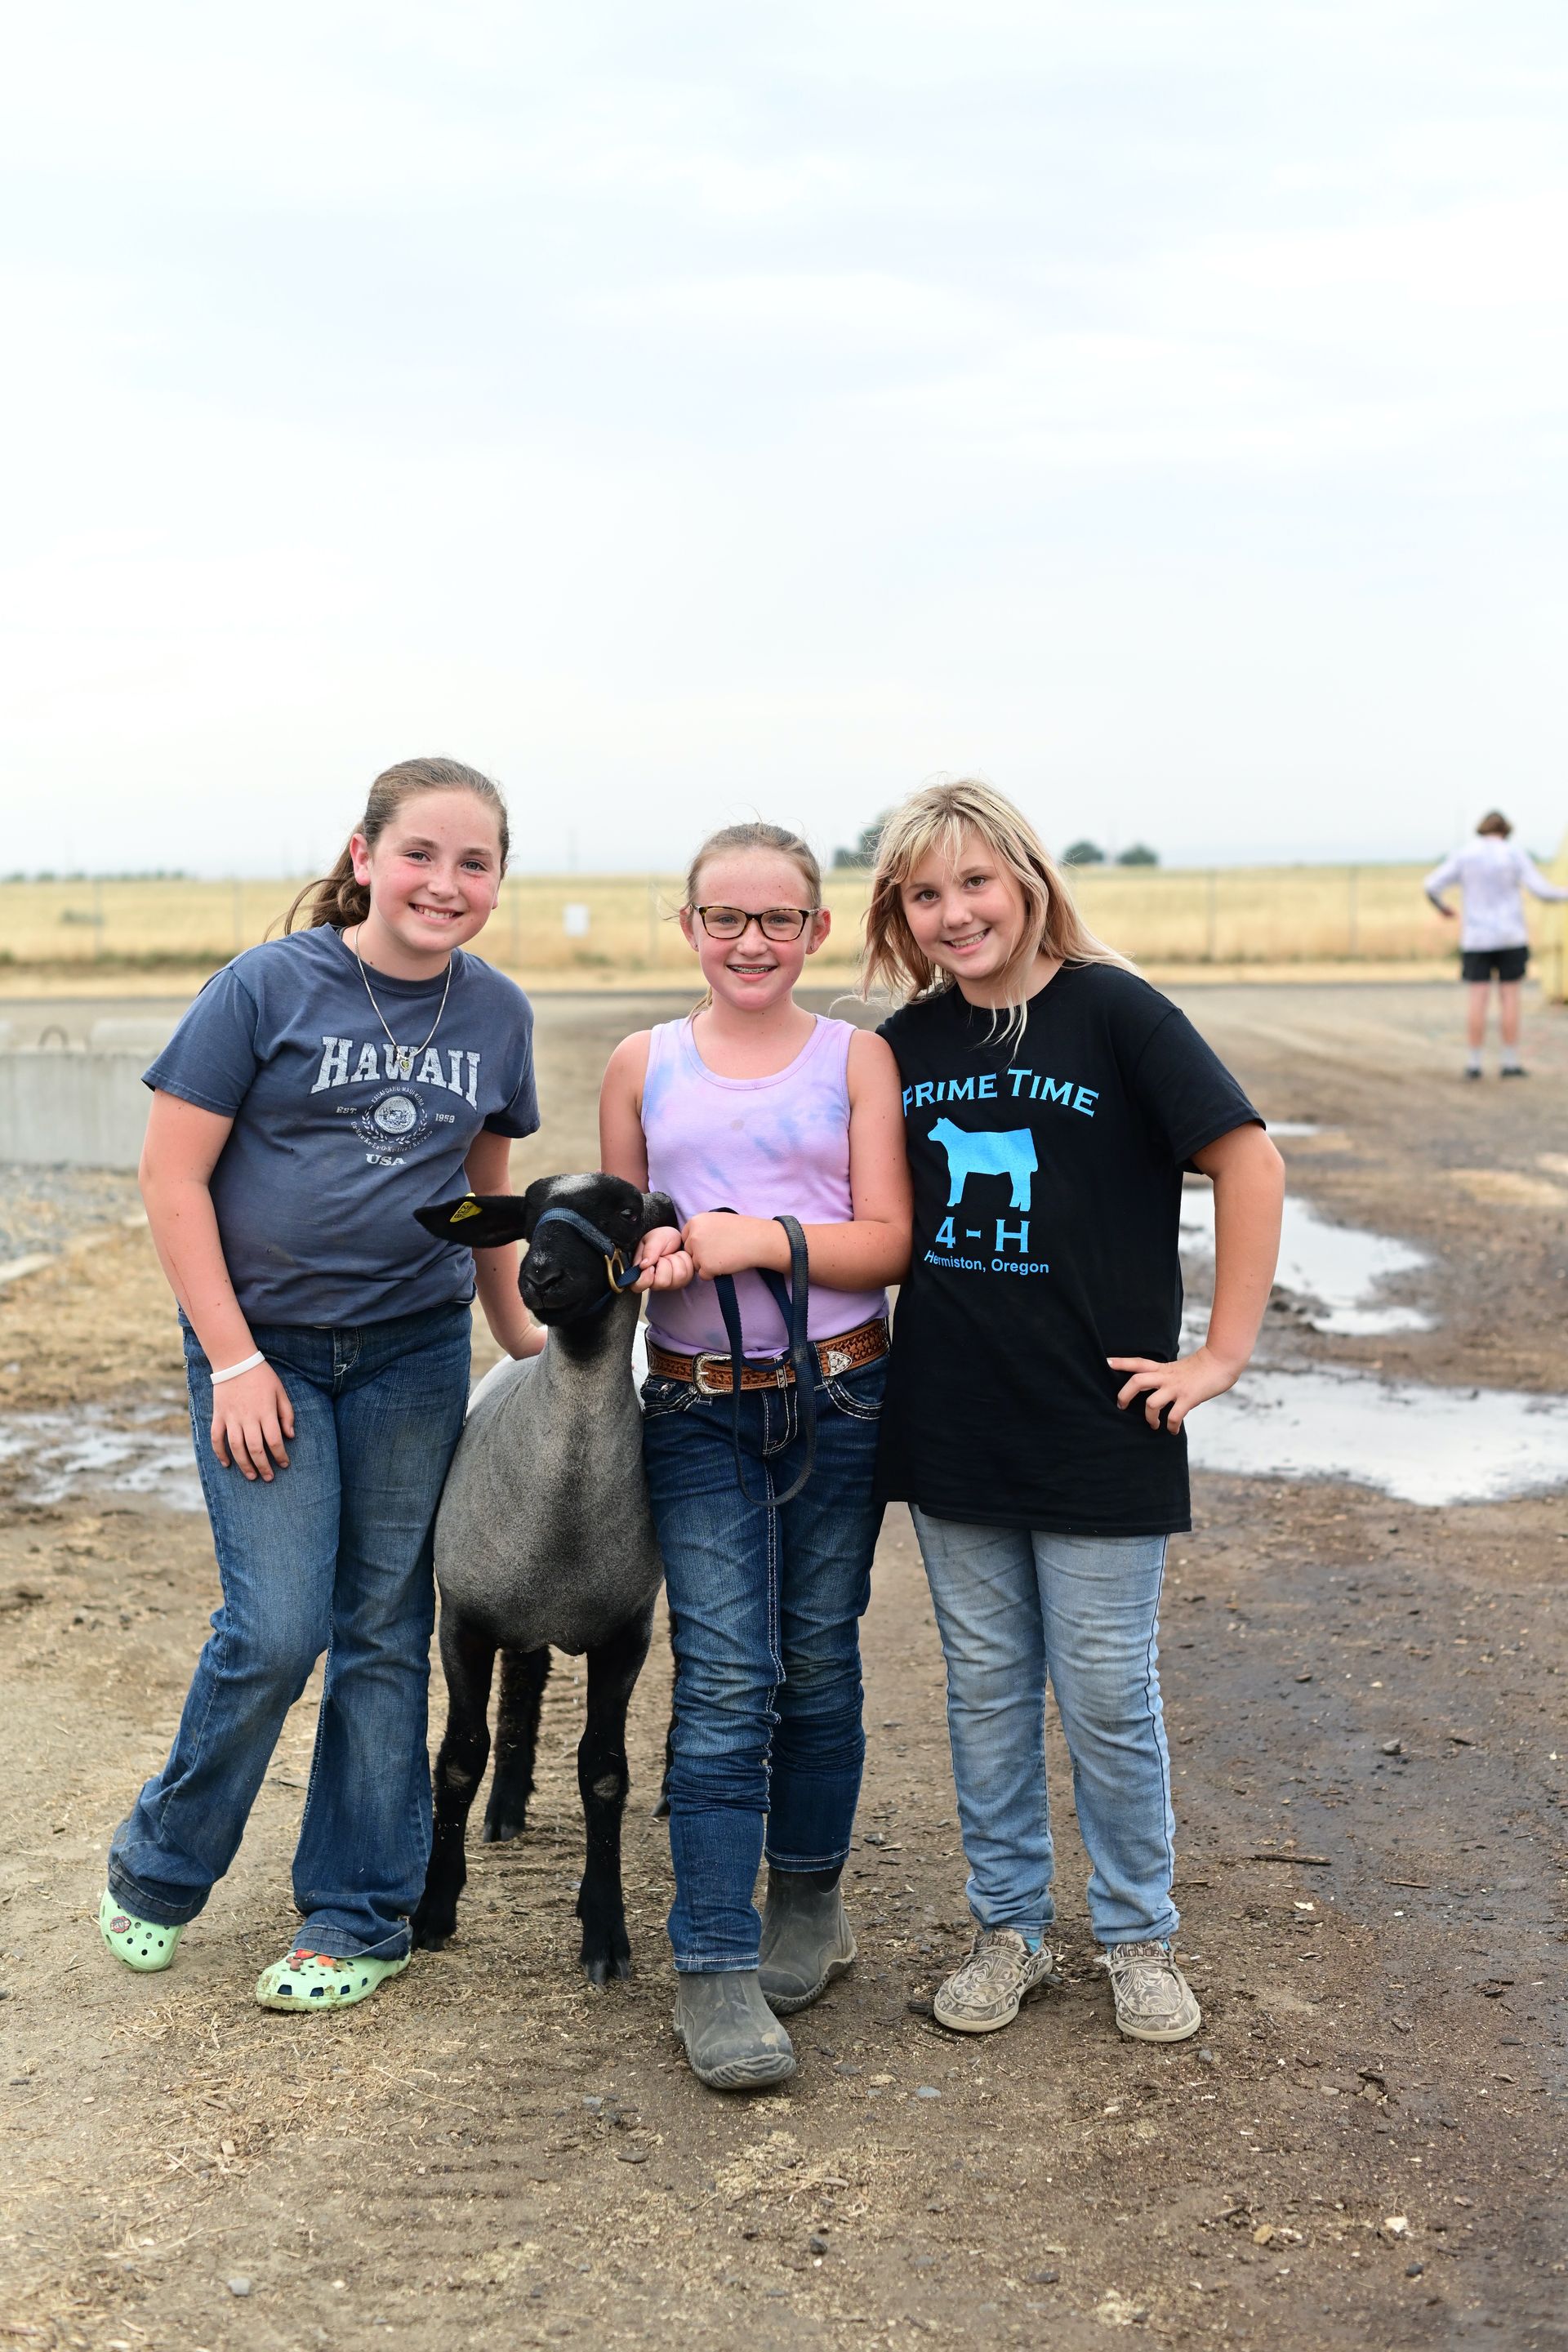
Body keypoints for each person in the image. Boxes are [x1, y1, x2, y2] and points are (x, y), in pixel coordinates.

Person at [99, 757, 543, 2014]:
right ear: (363, 857)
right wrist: (234, 1361)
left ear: (497, 881)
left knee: (385, 1636)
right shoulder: (266, 986)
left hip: (411, 1354)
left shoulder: (496, 1014)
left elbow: (483, 1199)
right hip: (268, 1355)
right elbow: (172, 1179)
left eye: (475, 864)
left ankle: (358, 1913)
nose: (445, 884)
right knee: (277, 1627)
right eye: (421, 855)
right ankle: (161, 1863)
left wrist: (521, 1342)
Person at [860, 778, 1283, 2045]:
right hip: (954, 1417)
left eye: (975, 882)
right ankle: (1008, 1930)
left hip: (1103, 1425)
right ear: (901, 912)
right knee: (986, 1689)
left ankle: (1139, 1934)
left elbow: (1248, 1158)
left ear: (1029, 880)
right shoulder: (903, 1048)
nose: (955, 912)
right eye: (926, 893)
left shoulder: (1116, 1015)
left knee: (1105, 1689)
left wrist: (1218, 1355)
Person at [599, 821, 911, 2091]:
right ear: (689, 929)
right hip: (693, 1406)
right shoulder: (643, 1065)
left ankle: (809, 1902)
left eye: (778, 919)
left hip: (838, 1398)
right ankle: (715, 1963)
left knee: (819, 1656)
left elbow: (885, 1243)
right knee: (727, 1675)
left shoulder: (858, 1060)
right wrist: (654, 1255)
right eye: (724, 919)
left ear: (817, 931)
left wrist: (753, 1238)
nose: (751, 941)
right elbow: (627, 1240)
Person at [1423, 811, 1568, 1078]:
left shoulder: (1465, 854)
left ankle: (1474, 1062)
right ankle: (1509, 1061)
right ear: (1506, 831)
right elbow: (1542, 891)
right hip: (1511, 935)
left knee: (1478, 998)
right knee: (1510, 997)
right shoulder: (1513, 854)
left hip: (1476, 938)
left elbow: (1431, 885)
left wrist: (1443, 908)